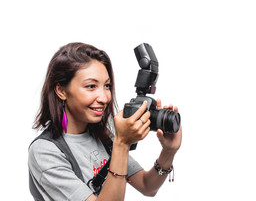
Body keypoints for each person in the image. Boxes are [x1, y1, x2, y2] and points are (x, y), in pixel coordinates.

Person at [28, 42, 182, 201]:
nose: (104, 98)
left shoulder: (102, 136)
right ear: (61, 91)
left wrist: (168, 151)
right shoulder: (45, 151)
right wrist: (122, 144)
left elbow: (147, 186)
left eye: (107, 85)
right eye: (91, 86)